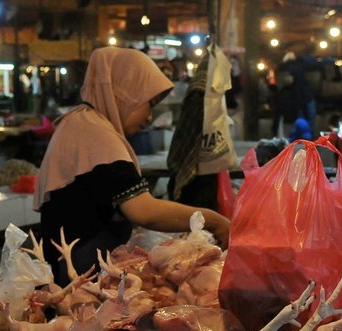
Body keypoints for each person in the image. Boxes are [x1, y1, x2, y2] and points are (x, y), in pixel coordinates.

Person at [34, 47, 230, 286]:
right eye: (148, 103)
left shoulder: (82, 123)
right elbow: (144, 211)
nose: (149, 116)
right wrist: (214, 220)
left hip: (77, 267)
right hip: (79, 275)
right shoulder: (93, 133)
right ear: (126, 94)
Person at [272, 52, 316, 138]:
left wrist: (274, 129)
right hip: (305, 100)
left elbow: (278, 112)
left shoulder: (286, 90)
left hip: (295, 112)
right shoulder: (302, 68)